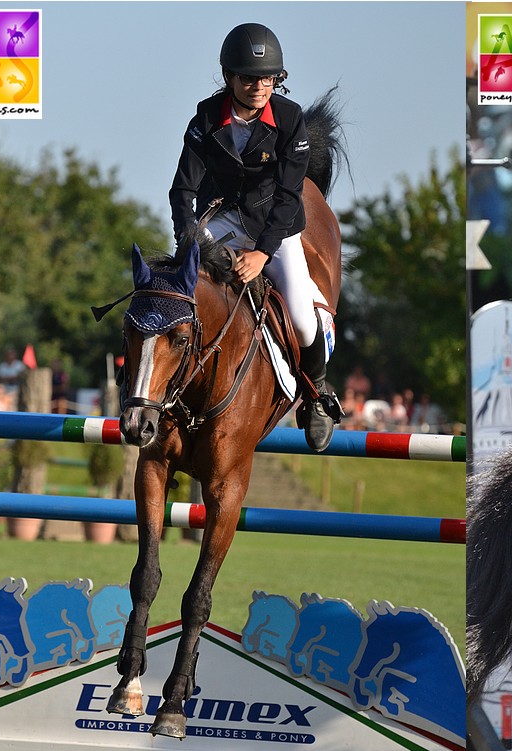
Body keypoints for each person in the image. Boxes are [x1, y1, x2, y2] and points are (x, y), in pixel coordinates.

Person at [169, 22, 338, 452]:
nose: (260, 86)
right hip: (221, 219)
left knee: (301, 317)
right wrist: (188, 240)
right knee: (175, 293)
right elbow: (183, 189)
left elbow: (287, 196)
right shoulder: (205, 117)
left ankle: (317, 396)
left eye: (268, 78)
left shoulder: (289, 119)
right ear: (229, 77)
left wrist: (263, 254)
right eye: (249, 78)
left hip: (273, 227)